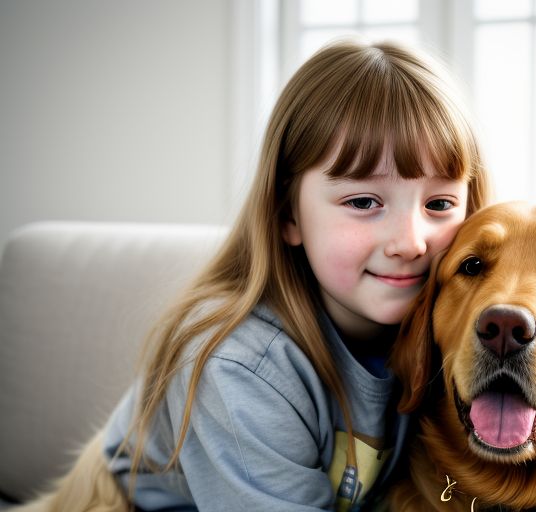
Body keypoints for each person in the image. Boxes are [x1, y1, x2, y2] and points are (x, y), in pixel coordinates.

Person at [24, 38, 490, 512]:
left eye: (439, 204)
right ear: (288, 214)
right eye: (364, 202)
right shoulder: (241, 366)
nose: (410, 242)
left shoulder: (454, 333)